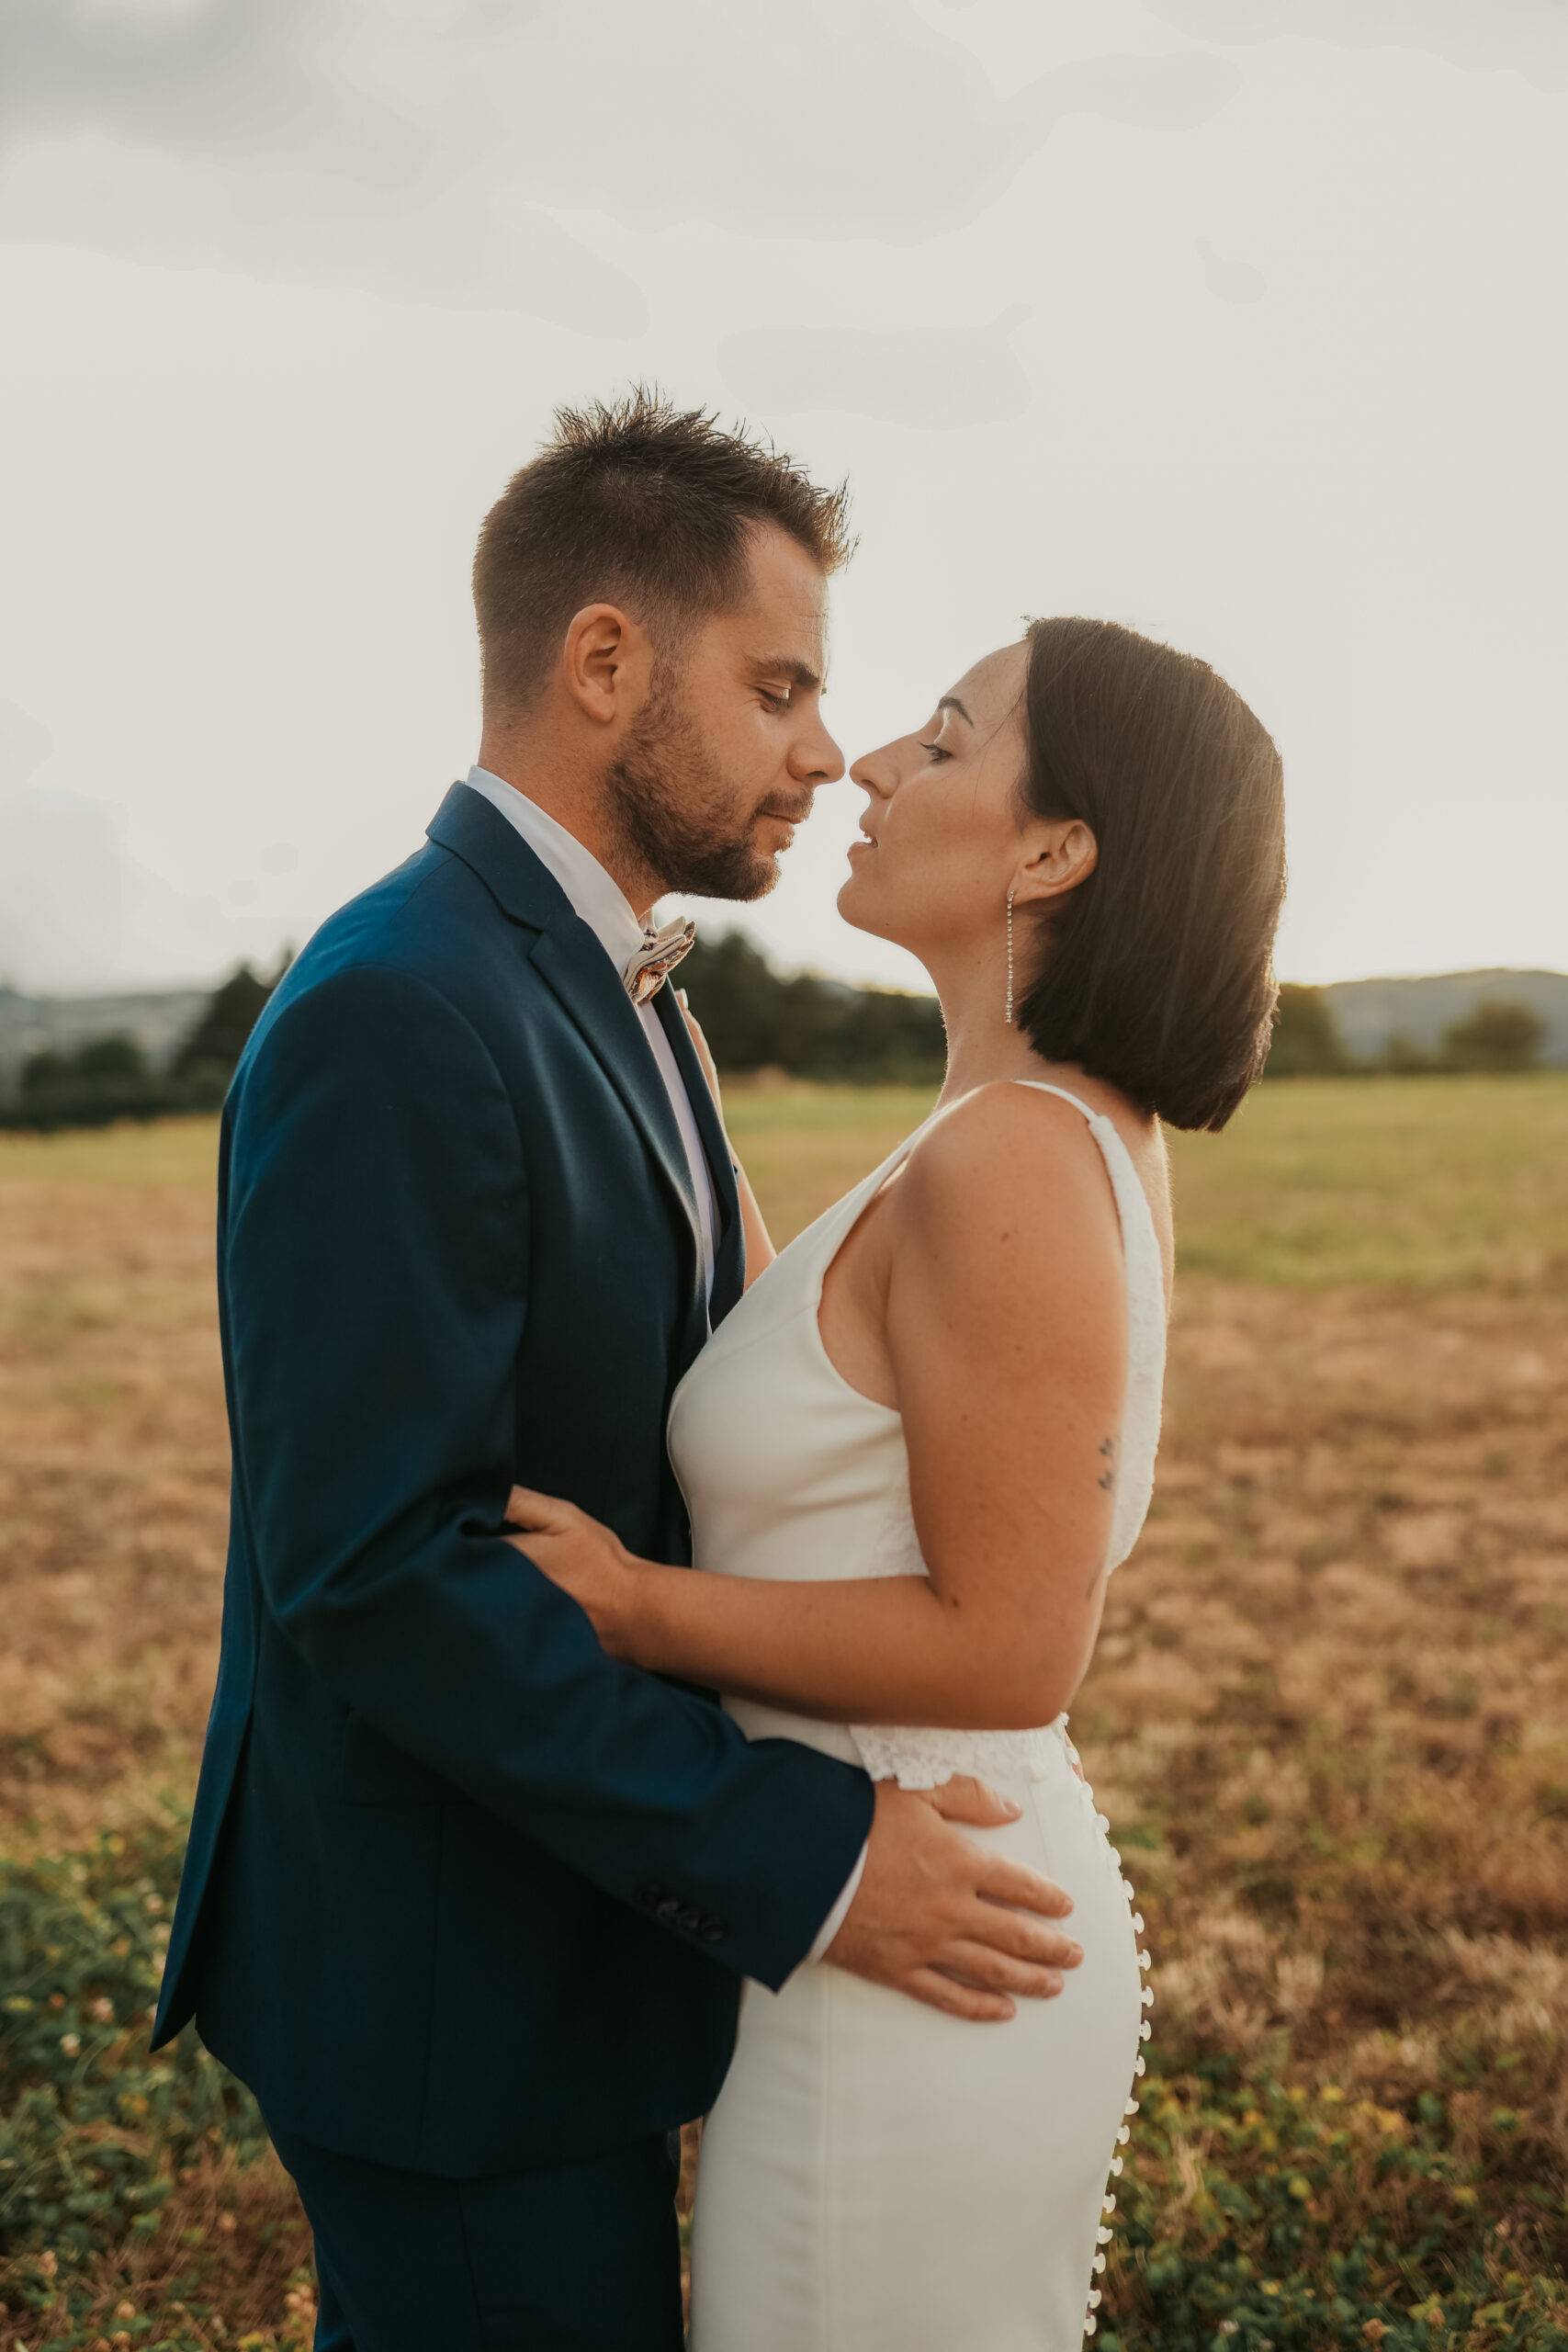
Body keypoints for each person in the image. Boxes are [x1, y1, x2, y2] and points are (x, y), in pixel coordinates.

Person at [152, 391, 1085, 2352]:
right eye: (777, 686)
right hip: (443, 1993)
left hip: (561, 1944)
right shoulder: (401, 1006)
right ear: (602, 663)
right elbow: (377, 1570)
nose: (823, 751)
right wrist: (802, 1855)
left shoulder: (619, 983)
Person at [507, 612, 1287, 2348]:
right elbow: (818, 1396)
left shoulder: (1011, 1155)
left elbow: (1012, 1643)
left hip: (920, 1941)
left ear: (1056, 849)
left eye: (943, 738)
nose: (866, 763)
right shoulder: (1007, 1133)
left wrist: (634, 1608)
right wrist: (654, 1066)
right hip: (889, 1920)